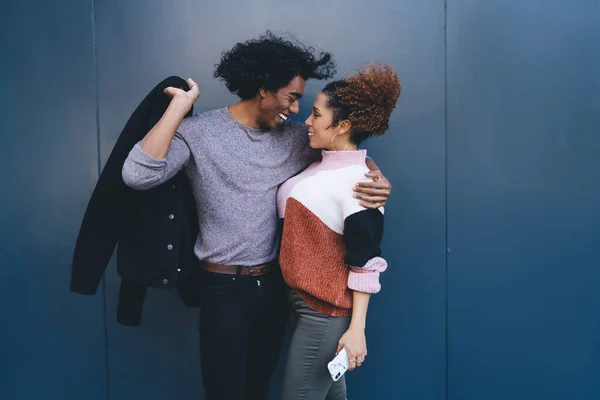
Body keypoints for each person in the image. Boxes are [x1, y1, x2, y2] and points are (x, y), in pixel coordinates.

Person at [121, 32, 393, 400]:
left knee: (258, 389)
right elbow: (138, 175)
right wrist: (178, 109)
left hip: (274, 290)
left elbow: (343, 155)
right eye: (293, 97)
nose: (298, 110)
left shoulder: (297, 138)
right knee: (225, 392)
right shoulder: (200, 133)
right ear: (264, 88)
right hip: (222, 288)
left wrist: (377, 178)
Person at [277, 63, 401, 399]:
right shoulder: (328, 165)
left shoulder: (360, 186)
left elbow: (366, 263)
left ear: (342, 125)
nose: (307, 121)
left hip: (324, 314)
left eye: (316, 115)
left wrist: (357, 329)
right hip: (304, 304)